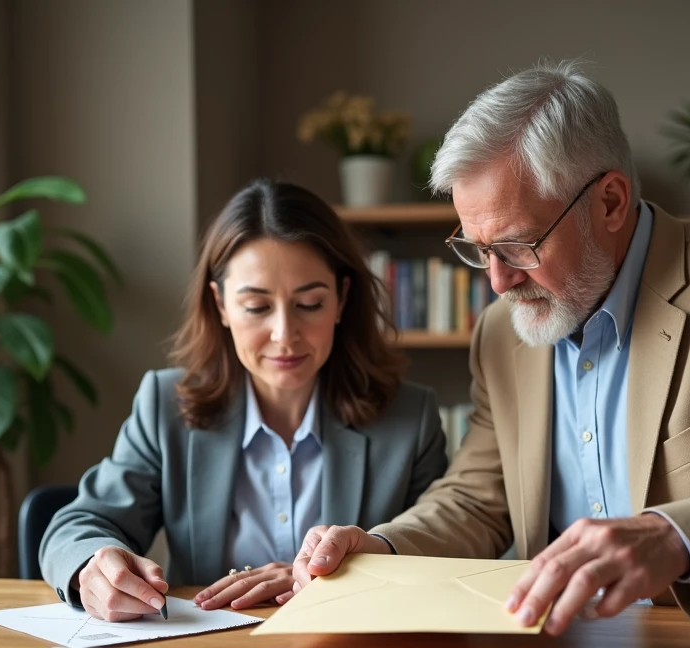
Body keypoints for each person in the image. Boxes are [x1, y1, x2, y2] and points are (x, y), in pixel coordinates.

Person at [292, 61, 690, 635]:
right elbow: (476, 501)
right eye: (478, 250)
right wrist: (384, 548)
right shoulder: (499, 334)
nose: (497, 280)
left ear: (611, 201)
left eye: (517, 245)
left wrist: (674, 539)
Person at [39, 179, 448, 621]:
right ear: (220, 306)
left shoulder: (411, 418)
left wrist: (336, 575)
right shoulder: (165, 405)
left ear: (342, 300)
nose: (284, 335)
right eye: (256, 307)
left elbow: (444, 557)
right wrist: (94, 566)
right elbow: (76, 526)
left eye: (309, 304)